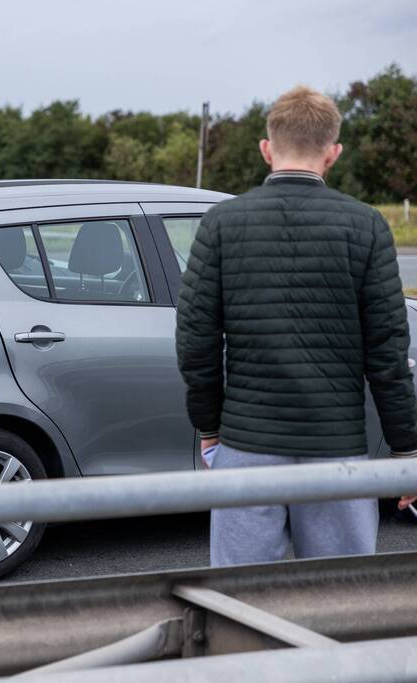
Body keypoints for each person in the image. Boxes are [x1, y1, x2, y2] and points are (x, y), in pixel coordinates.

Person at [176, 85, 417, 567]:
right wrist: (407, 449)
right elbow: (388, 353)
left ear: (267, 148)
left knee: (239, 596)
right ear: (333, 153)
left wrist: (209, 426)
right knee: (338, 593)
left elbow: (195, 341)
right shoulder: (366, 225)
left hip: (246, 443)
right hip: (337, 449)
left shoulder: (221, 223)